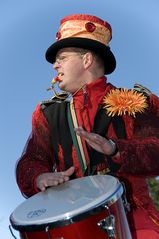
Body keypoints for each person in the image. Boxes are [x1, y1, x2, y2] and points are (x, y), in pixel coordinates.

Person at [16, 14, 159, 238]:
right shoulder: (48, 114)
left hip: (135, 220)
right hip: (76, 227)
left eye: (62, 57)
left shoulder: (137, 101)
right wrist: (39, 177)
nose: (55, 66)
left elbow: (156, 151)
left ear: (86, 60)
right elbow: (31, 160)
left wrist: (115, 148)